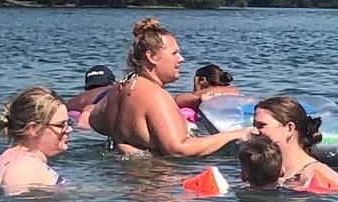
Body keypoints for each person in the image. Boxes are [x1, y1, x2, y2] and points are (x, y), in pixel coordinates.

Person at [89, 18, 247, 157]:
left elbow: (94, 121)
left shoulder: (122, 86)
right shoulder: (155, 95)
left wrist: (127, 143)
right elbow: (179, 150)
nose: (181, 59)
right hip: (157, 178)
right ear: (152, 57)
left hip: (122, 176)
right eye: (174, 53)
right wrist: (235, 134)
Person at [251, 95, 338, 192]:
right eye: (253, 125)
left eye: (261, 125)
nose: (253, 131)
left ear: (289, 129)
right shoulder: (259, 169)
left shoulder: (317, 174)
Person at [0, 86, 72, 192]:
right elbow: (20, 201)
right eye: (61, 125)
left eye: (69, 123)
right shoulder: (25, 168)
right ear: (33, 129)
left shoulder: (8, 156)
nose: (69, 129)